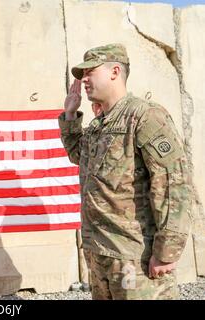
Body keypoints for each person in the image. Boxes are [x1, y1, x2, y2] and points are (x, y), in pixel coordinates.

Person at [58, 43, 191, 299]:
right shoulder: (100, 124)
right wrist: (71, 115)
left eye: (90, 72)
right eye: (81, 75)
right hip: (101, 253)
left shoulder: (144, 116)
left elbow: (173, 185)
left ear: (114, 72)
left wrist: (166, 252)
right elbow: (79, 155)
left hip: (135, 257)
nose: (83, 79)